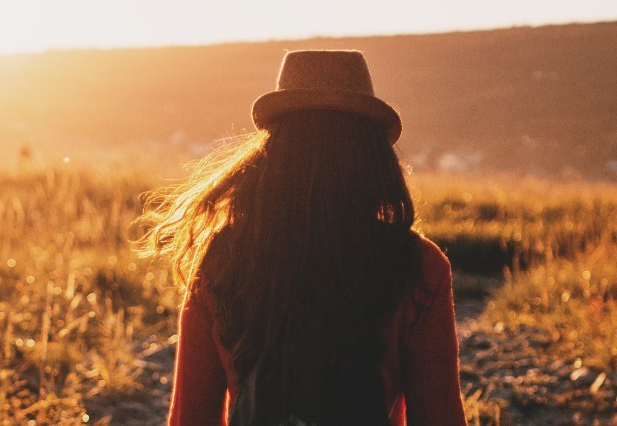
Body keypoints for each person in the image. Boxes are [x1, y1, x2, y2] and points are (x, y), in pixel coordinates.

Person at [141, 50, 465, 425]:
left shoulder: (221, 259)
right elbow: (440, 417)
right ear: (372, 156)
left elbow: (191, 418)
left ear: (272, 153)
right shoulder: (419, 265)